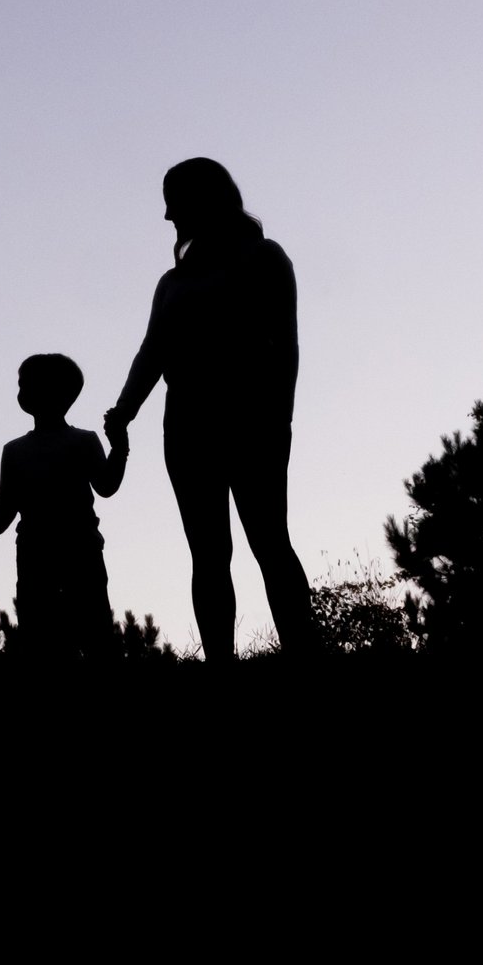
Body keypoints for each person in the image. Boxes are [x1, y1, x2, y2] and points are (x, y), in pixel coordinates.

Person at [105, 158, 319, 663]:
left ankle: (306, 653)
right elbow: (152, 352)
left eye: (173, 202)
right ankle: (220, 662)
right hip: (186, 428)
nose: (165, 216)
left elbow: (286, 348)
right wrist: (124, 409)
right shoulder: (171, 283)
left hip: (254, 423)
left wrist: (278, 419)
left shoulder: (265, 258)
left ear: (204, 200)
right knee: (207, 553)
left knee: (270, 543)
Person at [0, 353, 127, 669]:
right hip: (57, 551)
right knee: (56, 630)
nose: (21, 392)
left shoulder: (24, 449)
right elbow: (5, 508)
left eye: (25, 385)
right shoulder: (30, 448)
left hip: (61, 551)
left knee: (75, 628)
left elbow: (5, 509)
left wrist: (119, 447)